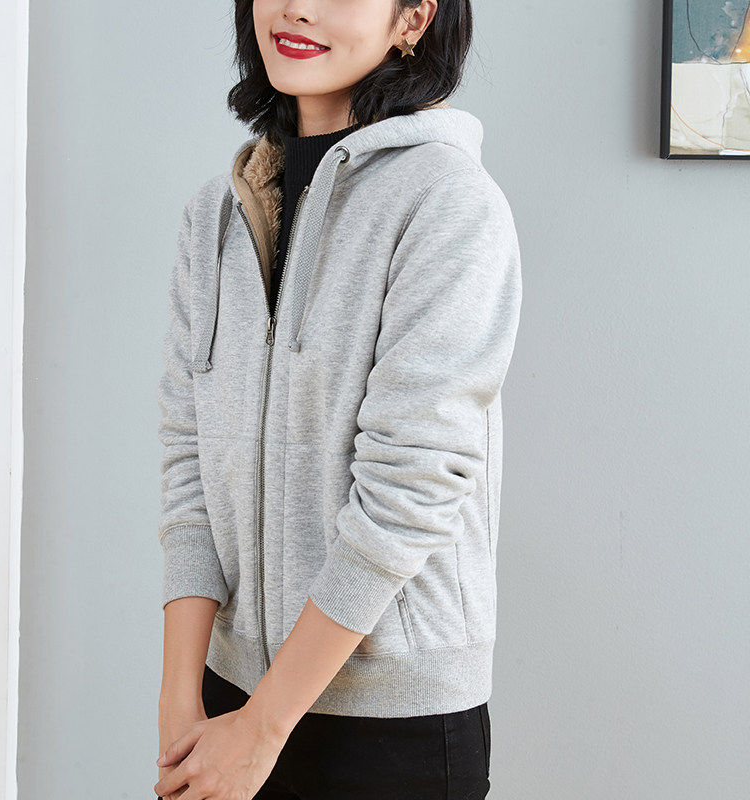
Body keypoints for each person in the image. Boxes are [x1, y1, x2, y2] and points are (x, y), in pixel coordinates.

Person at [153, 0, 521, 798]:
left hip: (391, 722)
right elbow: (189, 459)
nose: (298, 7)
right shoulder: (215, 216)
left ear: (413, 18)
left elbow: (410, 485)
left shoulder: (448, 201)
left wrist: (265, 728)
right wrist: (179, 700)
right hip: (227, 694)